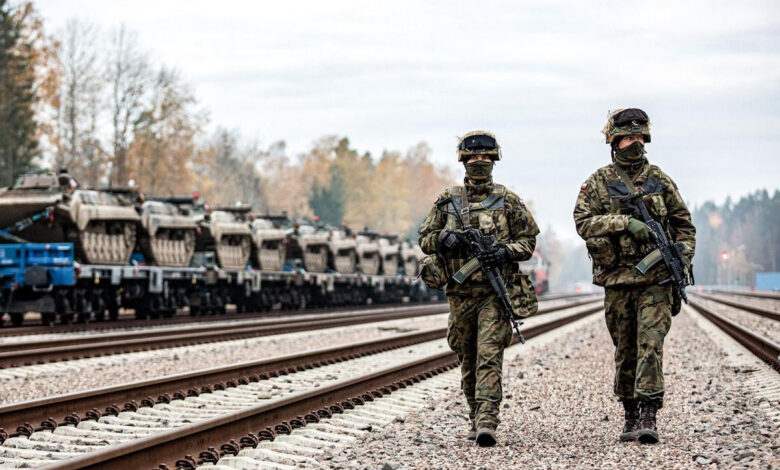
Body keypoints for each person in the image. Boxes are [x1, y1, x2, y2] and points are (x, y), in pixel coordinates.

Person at [573, 108, 695, 444]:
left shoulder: (660, 180)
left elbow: (684, 226)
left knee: (650, 345)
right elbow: (583, 223)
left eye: (640, 137)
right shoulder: (598, 182)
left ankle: (648, 414)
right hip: (618, 281)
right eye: (628, 137)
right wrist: (624, 223)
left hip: (656, 281)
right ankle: (629, 411)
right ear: (614, 141)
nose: (635, 143)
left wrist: (682, 257)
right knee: (625, 348)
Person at [418, 131, 539, 447]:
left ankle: (487, 421)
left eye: (485, 158)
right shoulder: (448, 202)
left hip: (492, 295)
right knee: (467, 357)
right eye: (473, 158)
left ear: (494, 160)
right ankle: (475, 415)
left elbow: (527, 243)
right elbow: (425, 239)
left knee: (488, 355)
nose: (479, 163)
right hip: (459, 295)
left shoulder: (508, 201)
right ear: (464, 160)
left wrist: (503, 252)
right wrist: (446, 238)